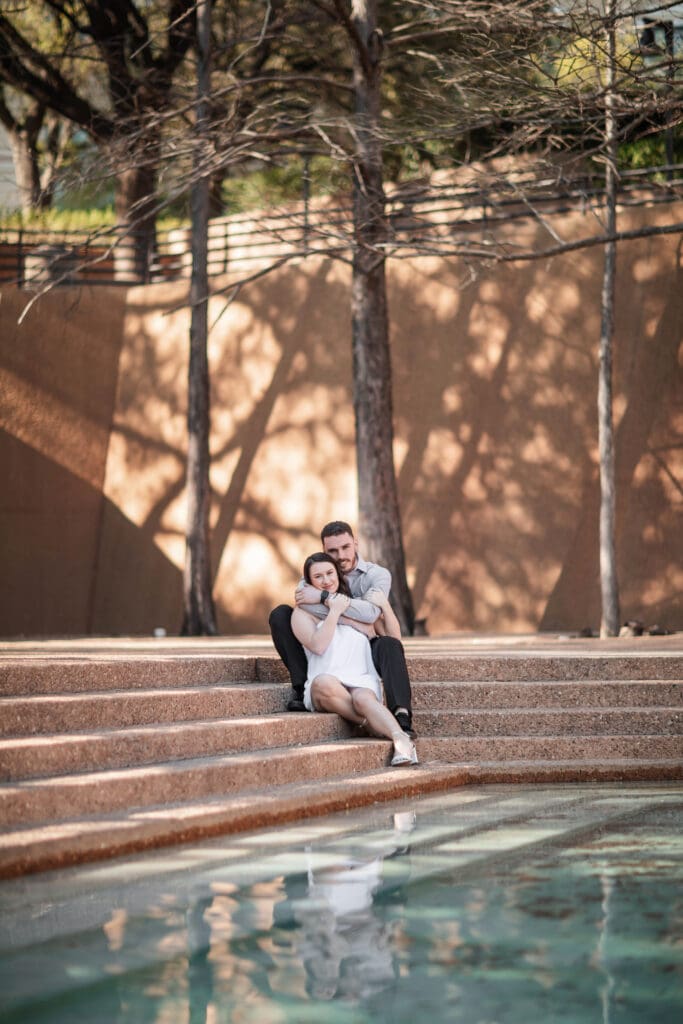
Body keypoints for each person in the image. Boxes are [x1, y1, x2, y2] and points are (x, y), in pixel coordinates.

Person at [269, 521, 415, 736]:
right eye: (332, 551)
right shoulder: (316, 573)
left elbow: (372, 614)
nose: (340, 555)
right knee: (280, 615)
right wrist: (353, 619)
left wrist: (323, 597)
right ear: (324, 551)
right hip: (329, 640)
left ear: (355, 543)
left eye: (346, 547)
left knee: (390, 645)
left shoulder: (377, 575)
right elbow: (306, 606)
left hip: (364, 644)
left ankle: (401, 715)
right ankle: (301, 688)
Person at [290, 551, 418, 767]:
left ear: (339, 575)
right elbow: (319, 646)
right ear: (309, 582)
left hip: (360, 676)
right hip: (326, 678)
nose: (326, 580)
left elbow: (394, 641)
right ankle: (374, 724)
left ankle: (401, 739)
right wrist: (334, 612)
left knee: (363, 699)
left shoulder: (359, 609)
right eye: (318, 577)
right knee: (323, 683)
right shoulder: (302, 613)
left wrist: (384, 606)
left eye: (330, 573)